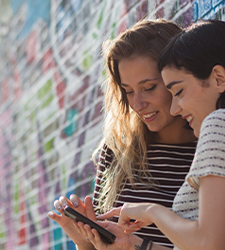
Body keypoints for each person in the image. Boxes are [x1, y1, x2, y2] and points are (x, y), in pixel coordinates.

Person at [83, 20, 225, 250]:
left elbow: (209, 244)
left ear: (219, 78)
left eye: (179, 91)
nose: (175, 108)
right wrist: (135, 246)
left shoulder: (222, 125)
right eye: (128, 91)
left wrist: (151, 211)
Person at [47, 19, 197, 250]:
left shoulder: (210, 149)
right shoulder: (118, 150)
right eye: (127, 91)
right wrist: (81, 238)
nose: (138, 103)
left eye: (149, 88)